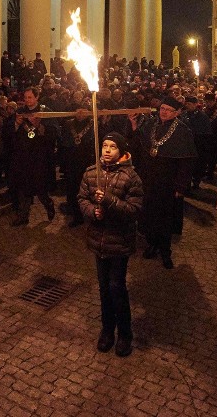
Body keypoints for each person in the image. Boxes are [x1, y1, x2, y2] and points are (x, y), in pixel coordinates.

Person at [78, 132, 143, 358]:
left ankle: (125, 333)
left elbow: (133, 210)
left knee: (117, 288)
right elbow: (82, 199)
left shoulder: (130, 177)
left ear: (121, 151)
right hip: (98, 240)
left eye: (112, 146)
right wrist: (91, 211)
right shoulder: (90, 172)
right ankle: (107, 330)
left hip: (119, 241)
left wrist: (108, 201)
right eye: (104, 145)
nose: (106, 150)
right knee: (104, 288)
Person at [128, 96, 197, 268]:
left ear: (176, 113)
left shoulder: (183, 131)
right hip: (148, 178)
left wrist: (181, 186)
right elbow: (140, 145)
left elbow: (186, 162)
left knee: (165, 217)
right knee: (149, 213)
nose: (164, 112)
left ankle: (165, 250)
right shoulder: (151, 124)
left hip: (168, 181)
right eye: (162, 109)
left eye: (168, 110)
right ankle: (152, 244)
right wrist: (134, 126)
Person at [8, 87, 57, 226]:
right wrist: (16, 125)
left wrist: (39, 125)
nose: (27, 100)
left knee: (40, 188)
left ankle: (48, 205)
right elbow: (9, 132)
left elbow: (54, 132)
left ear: (36, 97)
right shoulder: (20, 112)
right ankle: (23, 216)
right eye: (26, 97)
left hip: (39, 156)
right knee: (24, 187)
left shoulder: (45, 112)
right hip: (23, 156)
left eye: (30, 97)